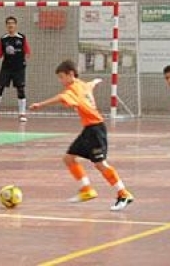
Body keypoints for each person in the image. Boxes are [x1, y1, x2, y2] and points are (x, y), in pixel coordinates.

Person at [29, 59, 134, 211]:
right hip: (88, 130)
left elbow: (60, 98)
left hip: (96, 130)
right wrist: (95, 81)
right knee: (69, 158)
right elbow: (90, 85)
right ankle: (87, 190)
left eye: (61, 77)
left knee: (100, 164)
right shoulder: (83, 85)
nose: (61, 81)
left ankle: (124, 194)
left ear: (70, 74)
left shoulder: (72, 89)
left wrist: (40, 105)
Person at [0, 16, 31, 123]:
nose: (10, 25)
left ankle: (22, 114)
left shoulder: (22, 38)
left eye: (12, 23)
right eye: (8, 23)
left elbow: (27, 50)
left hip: (19, 68)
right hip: (6, 68)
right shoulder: (3, 39)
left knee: (20, 89)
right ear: (6, 25)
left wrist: (27, 54)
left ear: (16, 25)